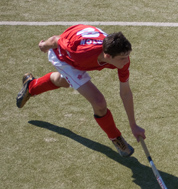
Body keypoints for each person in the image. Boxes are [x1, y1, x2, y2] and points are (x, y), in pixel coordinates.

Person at [16, 24, 145, 157]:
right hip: (64, 56)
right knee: (99, 102)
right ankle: (116, 138)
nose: (127, 60)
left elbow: (125, 92)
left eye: (127, 56)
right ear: (108, 56)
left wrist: (133, 125)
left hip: (83, 47)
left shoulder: (120, 57)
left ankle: (31, 86)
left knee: (64, 81)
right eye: (122, 58)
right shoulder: (79, 52)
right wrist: (44, 46)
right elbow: (55, 40)